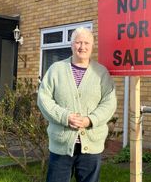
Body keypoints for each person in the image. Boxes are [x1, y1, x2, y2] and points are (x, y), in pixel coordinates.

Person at [37, 27, 117, 182]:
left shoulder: (101, 72)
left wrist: (90, 120)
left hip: (91, 144)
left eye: (86, 43)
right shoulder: (56, 69)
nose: (82, 47)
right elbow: (43, 98)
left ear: (92, 46)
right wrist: (65, 117)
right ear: (71, 45)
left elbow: (109, 102)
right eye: (78, 42)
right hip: (61, 142)